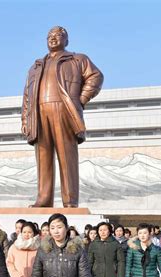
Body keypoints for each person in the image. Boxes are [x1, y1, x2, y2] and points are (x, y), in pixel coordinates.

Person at [22, 26, 103, 208]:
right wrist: (25, 120)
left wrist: (80, 99)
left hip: (64, 110)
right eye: (49, 35)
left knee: (67, 156)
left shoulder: (77, 59)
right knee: (43, 157)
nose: (53, 38)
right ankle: (43, 198)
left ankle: (70, 200)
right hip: (39, 113)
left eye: (58, 35)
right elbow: (27, 96)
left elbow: (96, 77)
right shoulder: (35, 67)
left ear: (66, 40)